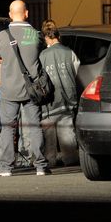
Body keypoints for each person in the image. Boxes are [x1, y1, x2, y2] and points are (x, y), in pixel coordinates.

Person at [0, 0, 51, 176]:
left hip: (8, 89)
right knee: (34, 126)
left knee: (8, 128)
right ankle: (40, 166)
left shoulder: (1, 36)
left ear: (10, 14)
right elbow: (40, 54)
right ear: (26, 13)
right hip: (32, 89)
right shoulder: (35, 35)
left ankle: (6, 167)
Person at [39, 19, 80, 167]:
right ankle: (70, 158)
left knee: (48, 134)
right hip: (67, 99)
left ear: (46, 37)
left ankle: (50, 160)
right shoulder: (69, 52)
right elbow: (75, 71)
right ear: (58, 35)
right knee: (67, 132)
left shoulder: (42, 56)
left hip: (50, 102)